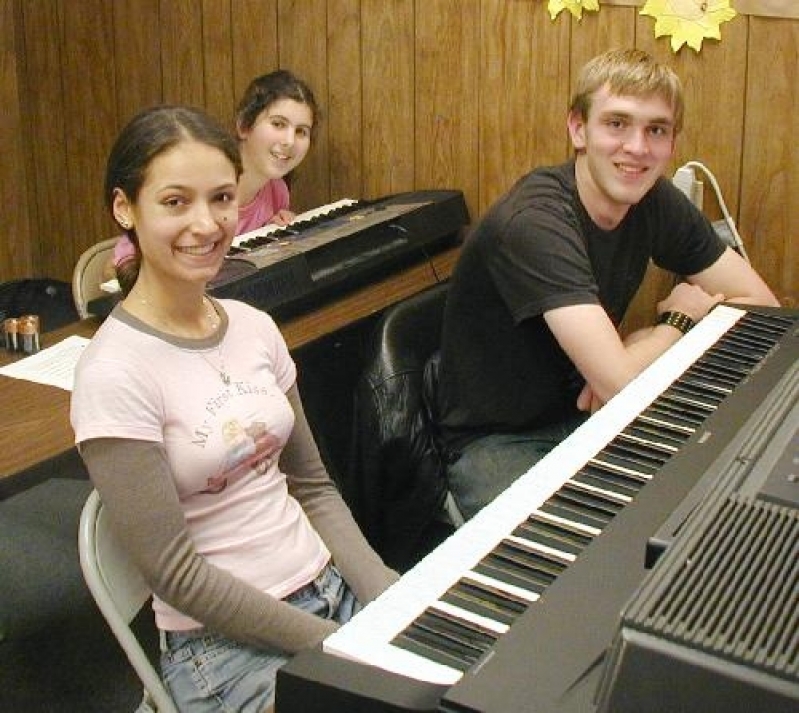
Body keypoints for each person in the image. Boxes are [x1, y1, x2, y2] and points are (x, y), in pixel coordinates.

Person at [70, 105, 397, 713]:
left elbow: (314, 488)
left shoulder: (254, 326)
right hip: (221, 648)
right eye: (175, 202)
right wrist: (334, 648)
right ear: (125, 209)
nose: (206, 223)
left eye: (221, 198)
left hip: (331, 590)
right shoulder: (113, 371)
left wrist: (390, 599)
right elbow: (176, 574)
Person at [436, 48, 779, 521]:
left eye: (655, 130)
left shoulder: (654, 199)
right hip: (497, 441)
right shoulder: (535, 221)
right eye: (616, 124)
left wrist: (635, 351)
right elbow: (619, 380)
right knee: (575, 572)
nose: (637, 148)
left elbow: (763, 306)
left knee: (705, 509)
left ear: (672, 142)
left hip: (593, 412)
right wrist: (676, 323)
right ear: (578, 129)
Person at [112, 69, 318, 294]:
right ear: (244, 126)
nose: (289, 141)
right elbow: (121, 263)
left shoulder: (277, 190)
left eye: (301, 132)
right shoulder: (201, 183)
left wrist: (276, 235)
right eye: (278, 124)